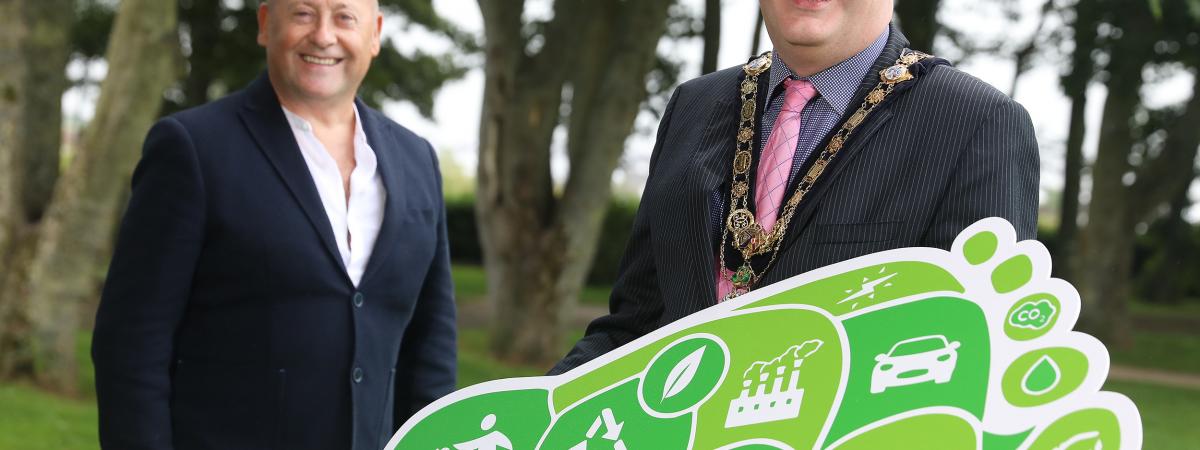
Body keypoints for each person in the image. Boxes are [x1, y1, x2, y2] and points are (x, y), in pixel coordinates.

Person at [551, 0, 1038, 374]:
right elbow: (633, 328)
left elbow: (978, 359)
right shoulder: (691, 106)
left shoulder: (977, 123)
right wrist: (523, 417)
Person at [91, 0, 456, 448]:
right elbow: (131, 348)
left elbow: (431, 349)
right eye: (304, 13)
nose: (324, 35)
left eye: (344, 17)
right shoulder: (193, 150)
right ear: (266, 24)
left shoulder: (417, 161)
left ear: (374, 33)